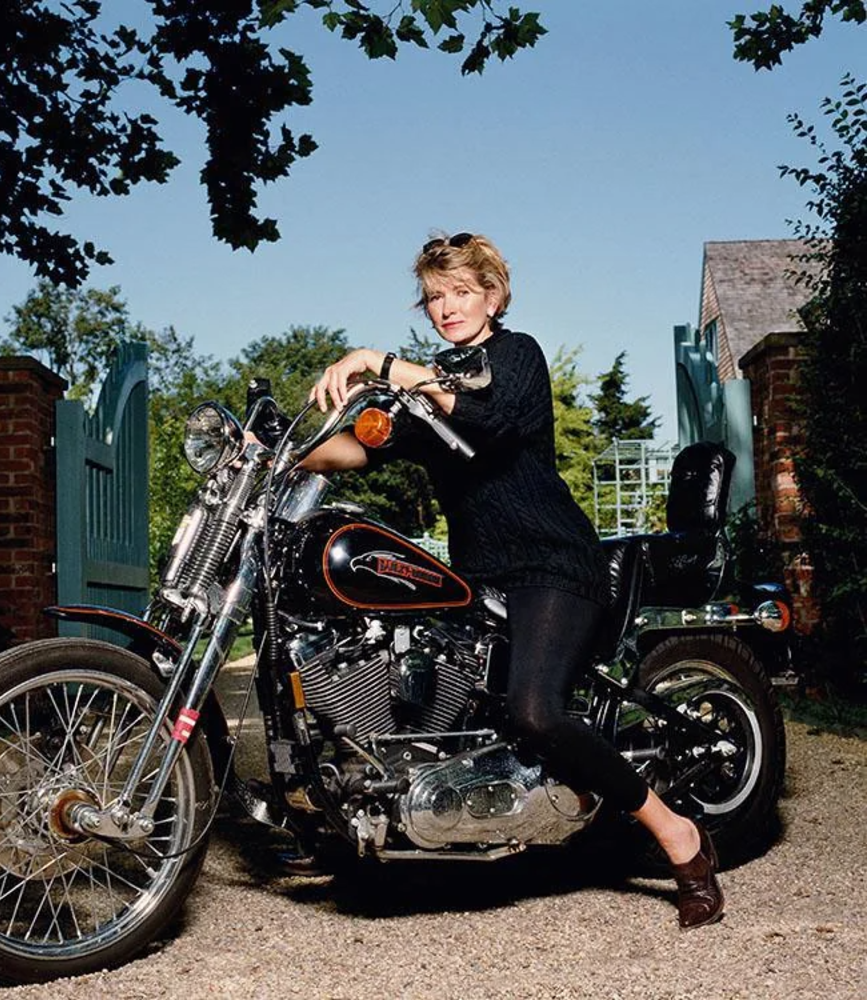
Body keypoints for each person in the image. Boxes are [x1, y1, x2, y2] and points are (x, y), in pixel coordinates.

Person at [303, 231, 723, 929]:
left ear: (493, 296)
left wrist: (377, 360)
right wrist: (281, 453)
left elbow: (491, 420)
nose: (447, 307)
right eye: (436, 296)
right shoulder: (431, 386)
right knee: (433, 693)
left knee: (534, 711)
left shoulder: (514, 356)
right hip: (477, 576)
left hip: (552, 563)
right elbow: (359, 451)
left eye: (462, 292)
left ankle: (676, 834)